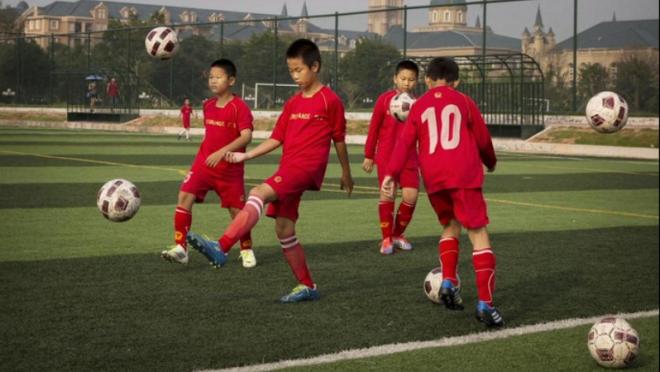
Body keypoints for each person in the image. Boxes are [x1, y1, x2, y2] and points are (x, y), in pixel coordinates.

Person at [187, 39, 354, 303]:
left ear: (315, 66)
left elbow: (339, 139)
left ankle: (222, 246)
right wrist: (248, 154)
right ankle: (307, 285)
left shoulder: (329, 100)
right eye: (291, 71)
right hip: (289, 167)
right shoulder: (293, 103)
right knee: (284, 229)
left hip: (307, 167)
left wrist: (346, 172)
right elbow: (276, 138)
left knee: (257, 192)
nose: (295, 75)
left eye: (299, 70)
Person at [382, 57, 503, 327]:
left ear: (426, 80)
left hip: (434, 178)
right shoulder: (464, 102)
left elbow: (404, 143)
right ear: (456, 81)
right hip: (463, 175)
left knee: (450, 225)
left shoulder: (419, 105)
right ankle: (486, 303)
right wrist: (491, 162)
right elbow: (483, 138)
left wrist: (391, 173)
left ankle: (448, 282)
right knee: (478, 233)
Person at [161, 58, 257, 269]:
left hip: (229, 170)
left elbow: (247, 136)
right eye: (211, 77)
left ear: (231, 80)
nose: (213, 81)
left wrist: (223, 152)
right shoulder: (208, 105)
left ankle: (246, 248)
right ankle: (181, 248)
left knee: (237, 212)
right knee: (184, 195)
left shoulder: (239, 107)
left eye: (218, 77)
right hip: (204, 164)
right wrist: (210, 154)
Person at [363, 60, 420, 255]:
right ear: (395, 78)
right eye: (403, 78)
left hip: (409, 158)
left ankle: (398, 234)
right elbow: (374, 128)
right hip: (386, 155)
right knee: (388, 194)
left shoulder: (417, 104)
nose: (406, 83)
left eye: (411, 79)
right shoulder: (384, 100)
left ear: (416, 81)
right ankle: (386, 238)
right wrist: (369, 154)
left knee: (411, 195)